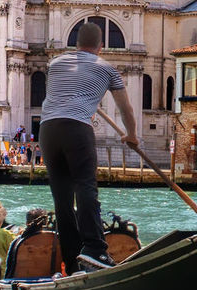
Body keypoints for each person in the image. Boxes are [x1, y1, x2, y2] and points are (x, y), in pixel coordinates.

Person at [40, 22, 138, 273]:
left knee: (62, 198)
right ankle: (94, 249)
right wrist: (132, 136)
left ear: (75, 43)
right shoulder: (107, 69)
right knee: (85, 187)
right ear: (101, 46)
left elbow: (62, 94)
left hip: (48, 129)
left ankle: (73, 262)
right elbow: (125, 109)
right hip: (77, 128)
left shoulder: (55, 64)